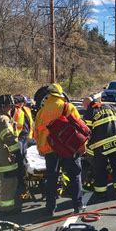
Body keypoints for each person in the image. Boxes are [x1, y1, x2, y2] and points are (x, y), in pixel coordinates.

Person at [34, 84, 84, 216]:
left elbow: (36, 133)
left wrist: (40, 148)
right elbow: (80, 127)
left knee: (51, 179)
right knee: (74, 176)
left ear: (48, 95)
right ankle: (77, 206)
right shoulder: (68, 107)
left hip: (49, 150)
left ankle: (50, 209)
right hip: (68, 148)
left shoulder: (41, 112)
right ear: (60, 94)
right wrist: (81, 146)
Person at [83, 97, 116, 199]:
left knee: (100, 169)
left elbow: (86, 130)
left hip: (101, 146)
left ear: (87, 104)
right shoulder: (108, 106)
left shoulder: (90, 111)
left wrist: (87, 144)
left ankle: (101, 192)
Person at [0, 95, 22, 215]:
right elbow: (9, 138)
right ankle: (7, 208)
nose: (11, 108)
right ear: (3, 107)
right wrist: (17, 151)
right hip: (3, 158)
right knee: (8, 182)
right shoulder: (3, 119)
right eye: (10, 106)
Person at [12, 95, 34, 184]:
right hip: (20, 137)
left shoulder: (23, 110)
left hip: (24, 137)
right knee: (20, 159)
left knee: (22, 157)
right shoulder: (17, 110)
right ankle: (20, 179)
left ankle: (22, 177)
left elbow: (30, 123)